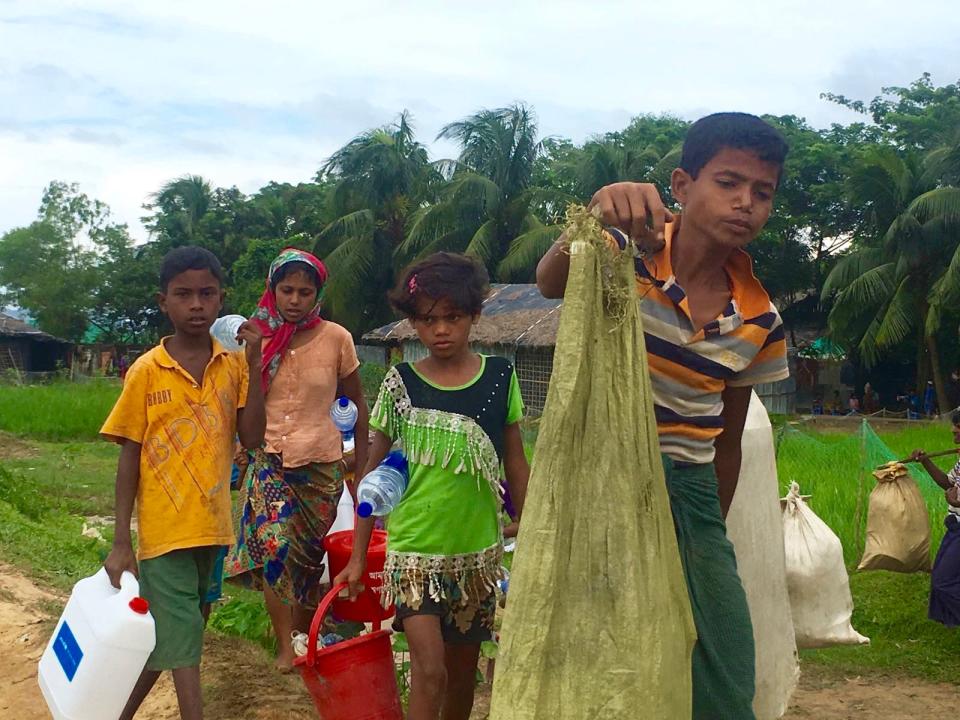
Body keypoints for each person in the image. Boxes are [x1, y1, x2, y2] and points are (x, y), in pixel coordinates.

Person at [536, 112, 790, 719]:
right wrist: (597, 215)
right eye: (728, 182)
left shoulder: (761, 321)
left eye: (762, 192)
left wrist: (708, 537)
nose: (745, 202)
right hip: (603, 479)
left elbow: (726, 440)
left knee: (722, 655)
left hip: (692, 492)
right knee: (599, 649)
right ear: (682, 184)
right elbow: (550, 282)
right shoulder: (626, 254)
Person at [335, 252, 530, 720]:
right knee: (431, 672)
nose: (440, 329)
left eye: (452, 317)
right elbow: (369, 476)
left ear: (474, 317)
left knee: (462, 679)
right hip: (415, 556)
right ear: (412, 323)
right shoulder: (400, 384)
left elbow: (516, 460)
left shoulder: (500, 378)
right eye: (427, 320)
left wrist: (529, 527)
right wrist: (359, 557)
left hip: (477, 560)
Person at [100, 246, 266, 720]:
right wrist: (119, 542)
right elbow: (128, 457)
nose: (196, 304)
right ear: (163, 301)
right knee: (185, 641)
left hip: (213, 528)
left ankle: (116, 712)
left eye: (207, 294)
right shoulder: (147, 371)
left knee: (174, 636)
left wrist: (256, 362)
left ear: (221, 300)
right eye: (184, 294)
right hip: (164, 534)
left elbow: (252, 438)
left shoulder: (232, 365)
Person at [223, 248, 368, 671]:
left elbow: (356, 401)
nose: (294, 300)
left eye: (305, 292)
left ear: (317, 294)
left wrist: (363, 465)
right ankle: (286, 647)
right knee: (273, 550)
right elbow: (235, 402)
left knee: (305, 562)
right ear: (273, 289)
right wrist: (252, 357)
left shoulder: (336, 338)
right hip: (266, 458)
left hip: (321, 464)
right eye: (286, 290)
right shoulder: (252, 336)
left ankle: (306, 637)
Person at [911, 412, 960, 626]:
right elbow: (948, 482)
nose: (954, 429)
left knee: (943, 582)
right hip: (954, 527)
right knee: (938, 576)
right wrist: (926, 462)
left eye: (958, 426)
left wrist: (958, 503)